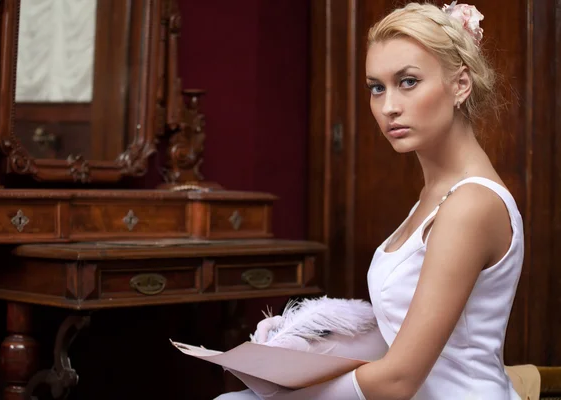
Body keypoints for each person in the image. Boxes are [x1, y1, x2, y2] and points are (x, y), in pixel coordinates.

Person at [216, 2, 523, 399]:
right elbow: (401, 333)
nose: (389, 106)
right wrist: (305, 345)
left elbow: (399, 380)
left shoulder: (470, 205)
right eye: (377, 87)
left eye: (408, 81)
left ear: (460, 85)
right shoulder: (435, 196)